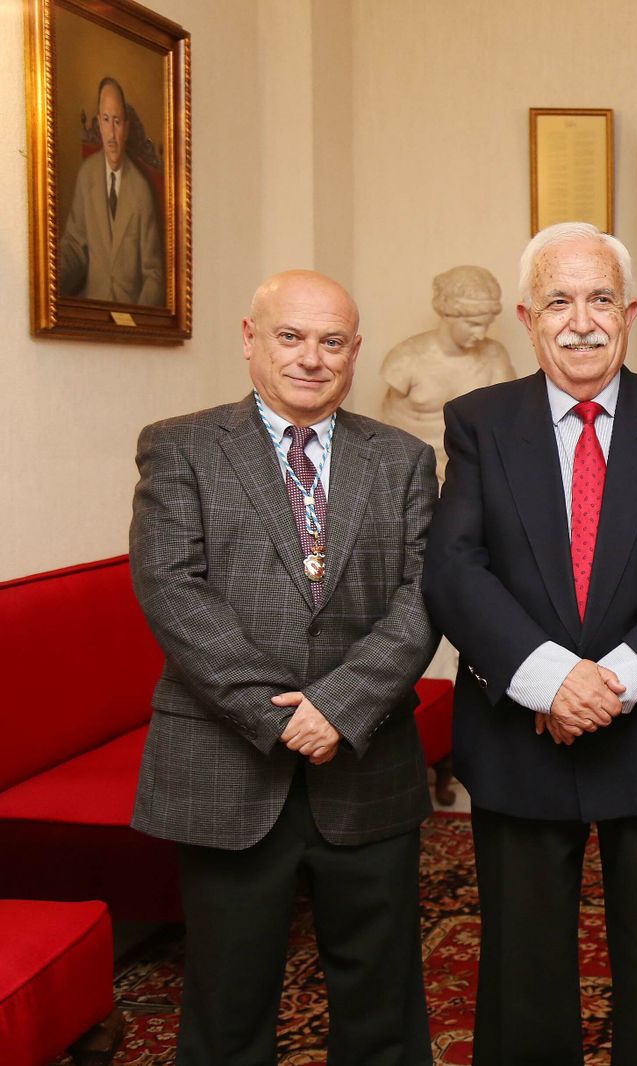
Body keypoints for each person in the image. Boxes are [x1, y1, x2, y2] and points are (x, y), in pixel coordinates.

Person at [422, 222, 637, 1064]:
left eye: (601, 298)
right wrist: (550, 680)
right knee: (523, 961)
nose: (582, 320)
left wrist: (614, 683)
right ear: (528, 318)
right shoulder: (480, 422)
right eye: (559, 301)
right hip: (518, 733)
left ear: (629, 311)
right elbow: (455, 568)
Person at [129, 270, 439, 1065]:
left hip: (367, 765)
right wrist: (278, 718)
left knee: (382, 1006)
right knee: (227, 1008)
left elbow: (425, 595)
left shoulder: (403, 458)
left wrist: (338, 707)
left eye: (332, 341)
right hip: (225, 766)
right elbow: (172, 589)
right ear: (250, 339)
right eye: (290, 337)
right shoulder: (181, 445)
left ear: (356, 351)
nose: (311, 358)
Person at [380, 265, 516, 478]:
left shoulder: (495, 357)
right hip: (411, 467)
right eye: (472, 324)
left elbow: (507, 423)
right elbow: (387, 427)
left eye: (486, 325)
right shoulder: (406, 359)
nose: (481, 334)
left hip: (472, 468)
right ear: (448, 315)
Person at [58, 76, 164, 306]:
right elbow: (75, 246)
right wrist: (49, 276)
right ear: (98, 123)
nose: (112, 135)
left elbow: (154, 274)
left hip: (130, 319)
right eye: (106, 120)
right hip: (94, 314)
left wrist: (139, 320)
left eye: (117, 121)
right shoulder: (87, 175)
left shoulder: (141, 190)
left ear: (125, 128)